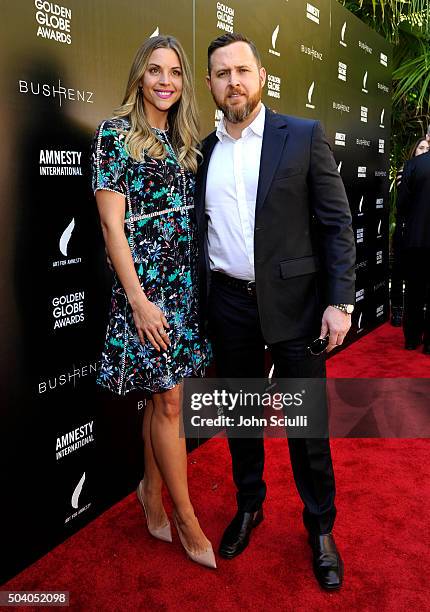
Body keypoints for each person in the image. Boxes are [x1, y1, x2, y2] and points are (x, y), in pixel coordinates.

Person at [195, 33, 355, 589]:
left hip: (297, 305)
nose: (233, 81)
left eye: (242, 70)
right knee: (239, 416)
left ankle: (320, 528)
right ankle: (249, 505)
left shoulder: (303, 136)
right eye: (221, 73)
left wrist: (340, 301)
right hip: (228, 304)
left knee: (306, 423)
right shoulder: (204, 152)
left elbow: (336, 224)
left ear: (261, 76)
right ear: (210, 83)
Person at [91, 35, 215, 568]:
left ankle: (150, 492)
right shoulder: (115, 135)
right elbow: (110, 225)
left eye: (176, 72)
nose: (166, 80)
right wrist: (139, 301)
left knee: (159, 397)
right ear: (139, 76)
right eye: (155, 70)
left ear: (185, 82)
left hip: (183, 287)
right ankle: (185, 518)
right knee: (169, 401)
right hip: (146, 292)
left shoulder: (184, 140)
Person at [391, 137, 430, 328]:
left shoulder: (413, 167)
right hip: (409, 233)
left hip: (416, 234)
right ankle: (399, 311)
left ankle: (412, 334)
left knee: (416, 286)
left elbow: (404, 203)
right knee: (408, 278)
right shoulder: (409, 168)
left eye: (427, 147)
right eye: (421, 147)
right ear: (413, 150)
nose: (424, 150)